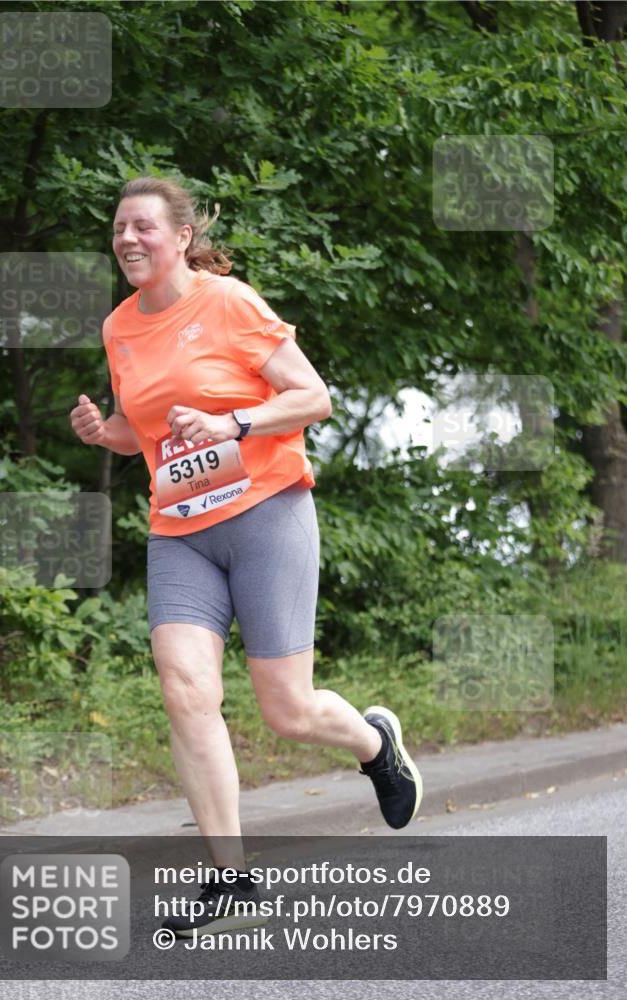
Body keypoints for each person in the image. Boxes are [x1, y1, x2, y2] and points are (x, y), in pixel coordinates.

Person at [70, 175, 423, 937]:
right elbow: (151, 431)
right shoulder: (119, 328)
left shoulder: (229, 303)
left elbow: (313, 396)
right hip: (180, 529)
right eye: (119, 229)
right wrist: (109, 435)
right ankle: (231, 879)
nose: (128, 239)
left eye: (144, 228)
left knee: (285, 710)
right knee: (185, 689)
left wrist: (237, 425)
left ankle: (374, 745)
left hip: (266, 511)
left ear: (182, 238)